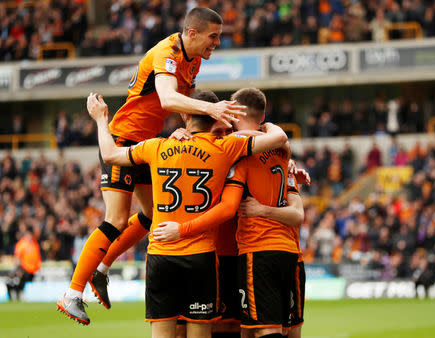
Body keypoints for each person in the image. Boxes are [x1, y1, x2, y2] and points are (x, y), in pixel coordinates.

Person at [57, 7, 246, 324]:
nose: (217, 42)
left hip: (147, 142)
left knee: (151, 214)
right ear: (193, 33)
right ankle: (72, 294)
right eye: (213, 36)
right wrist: (211, 108)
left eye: (220, 36)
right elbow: (167, 99)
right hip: (123, 138)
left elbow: (180, 103)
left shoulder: (193, 59)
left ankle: (101, 270)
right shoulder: (166, 52)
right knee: (116, 218)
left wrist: (186, 126)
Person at [64, 90, 287, 337]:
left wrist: (100, 120)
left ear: (184, 116)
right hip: (201, 256)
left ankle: (95, 273)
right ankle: (101, 269)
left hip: (161, 255)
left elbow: (109, 155)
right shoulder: (226, 148)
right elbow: (278, 139)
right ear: (214, 118)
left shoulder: (157, 146)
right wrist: (265, 125)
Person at [154, 88, 305, 338]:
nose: (223, 136)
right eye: (218, 132)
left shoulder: (239, 153)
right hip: (212, 253)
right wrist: (177, 137)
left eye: (227, 131)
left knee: (244, 328)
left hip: (240, 253)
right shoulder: (209, 152)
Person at [6, 227, 41, 301]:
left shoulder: (34, 244)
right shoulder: (22, 244)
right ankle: (16, 294)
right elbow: (17, 259)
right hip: (24, 269)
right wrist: (20, 269)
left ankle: (18, 293)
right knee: (16, 280)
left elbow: (37, 258)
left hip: (32, 270)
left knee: (19, 281)